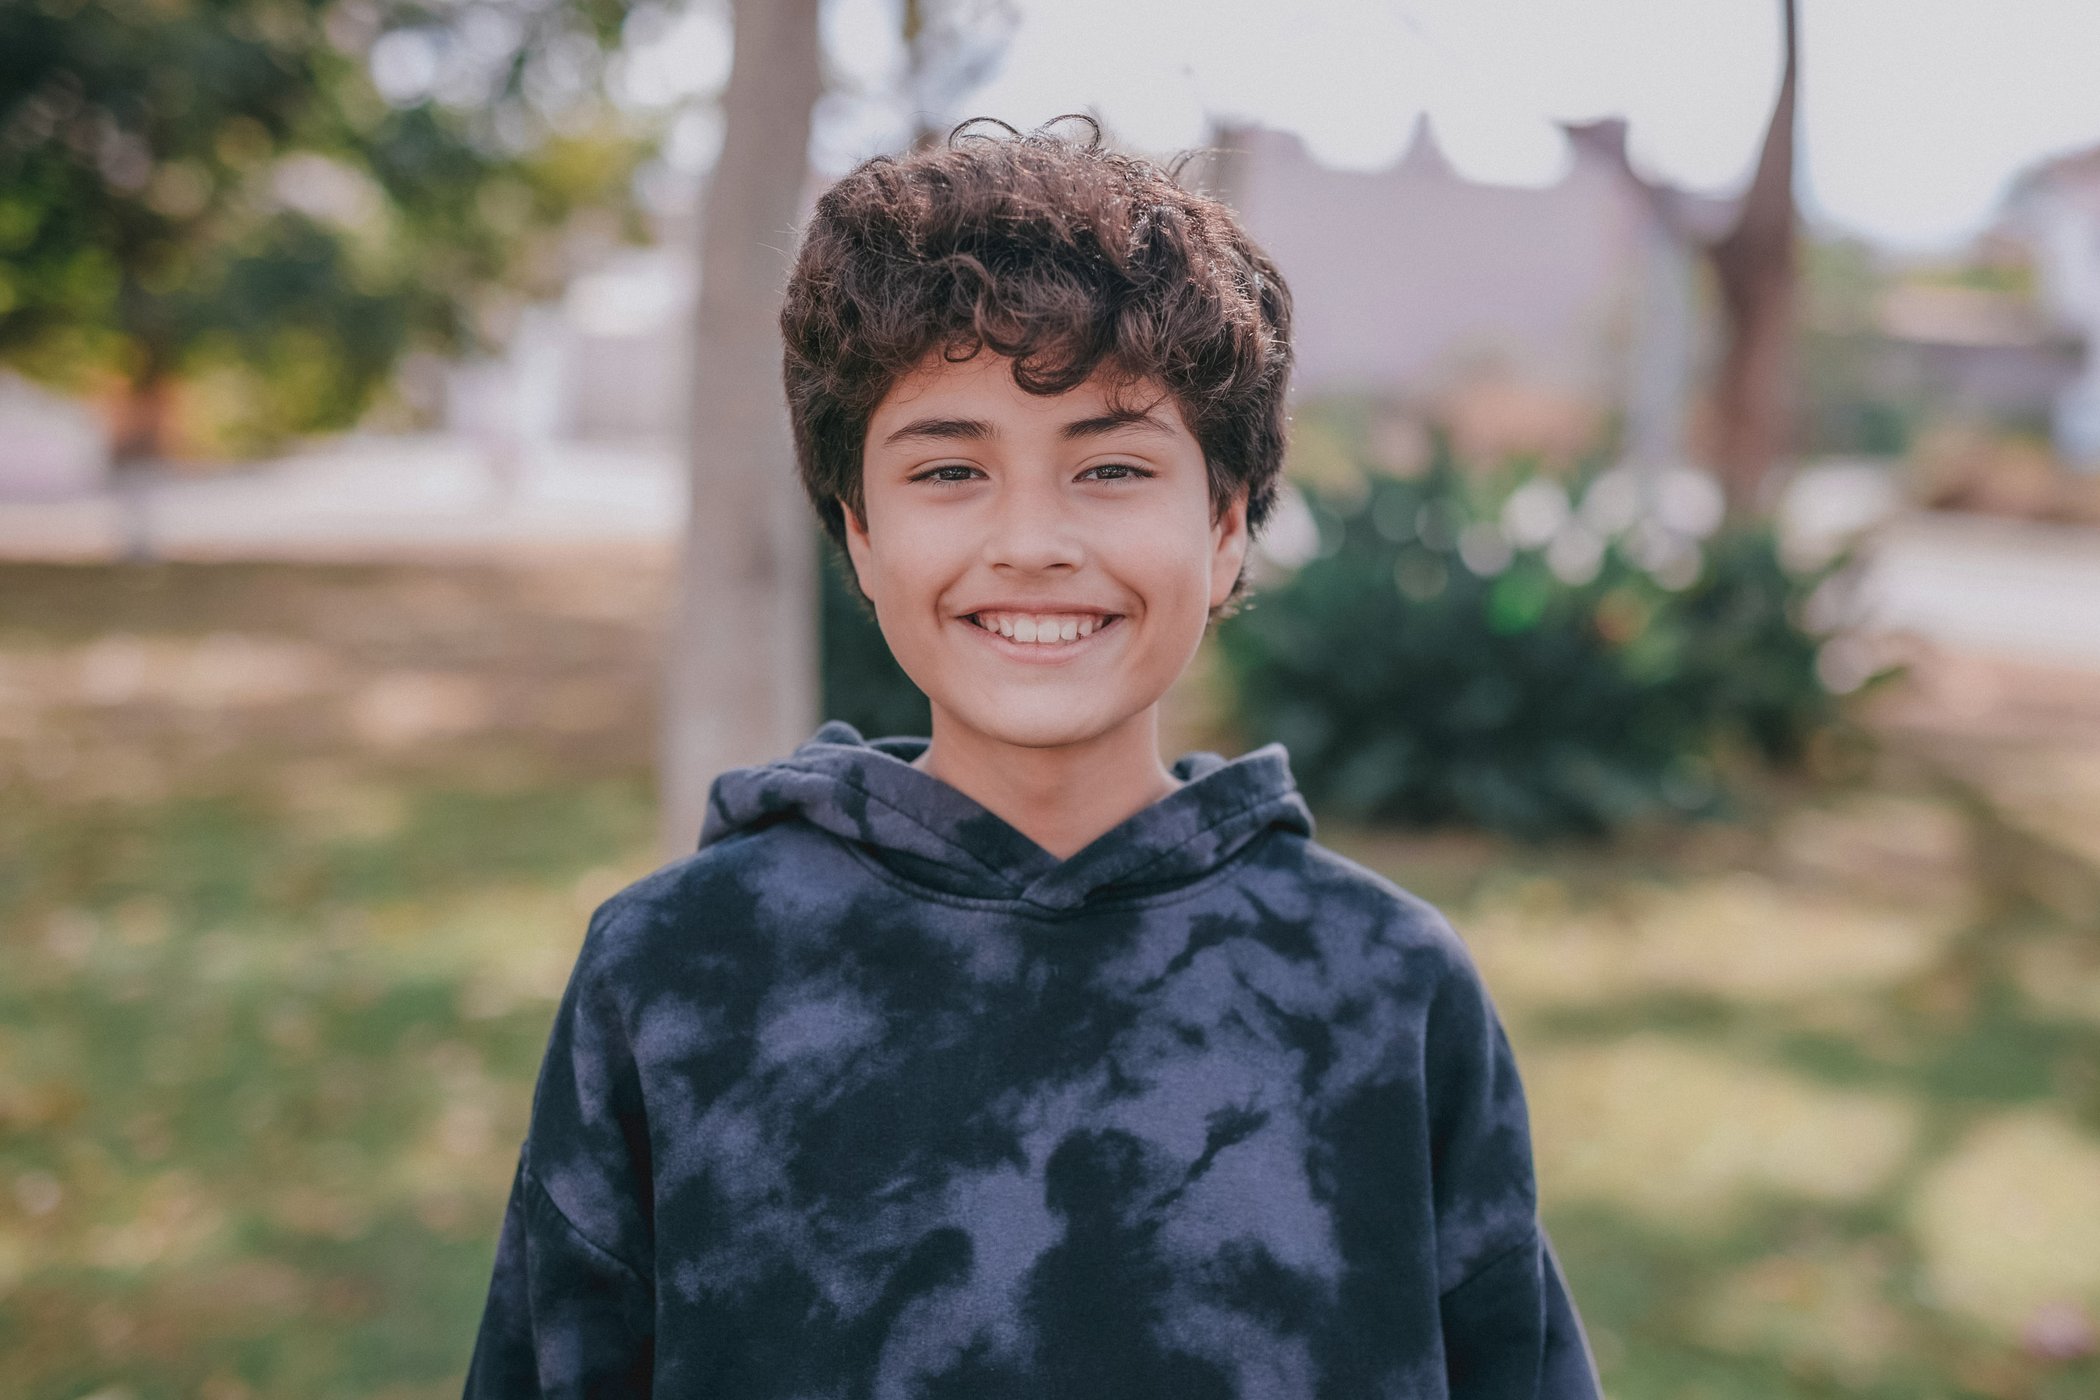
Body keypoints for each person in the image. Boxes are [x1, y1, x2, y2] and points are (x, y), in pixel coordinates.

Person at [462, 115, 1601, 1399]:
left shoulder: (1384, 987)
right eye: (949, 468)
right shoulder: (677, 967)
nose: (1033, 540)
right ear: (862, 535)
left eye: (1112, 465)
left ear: (1226, 529)